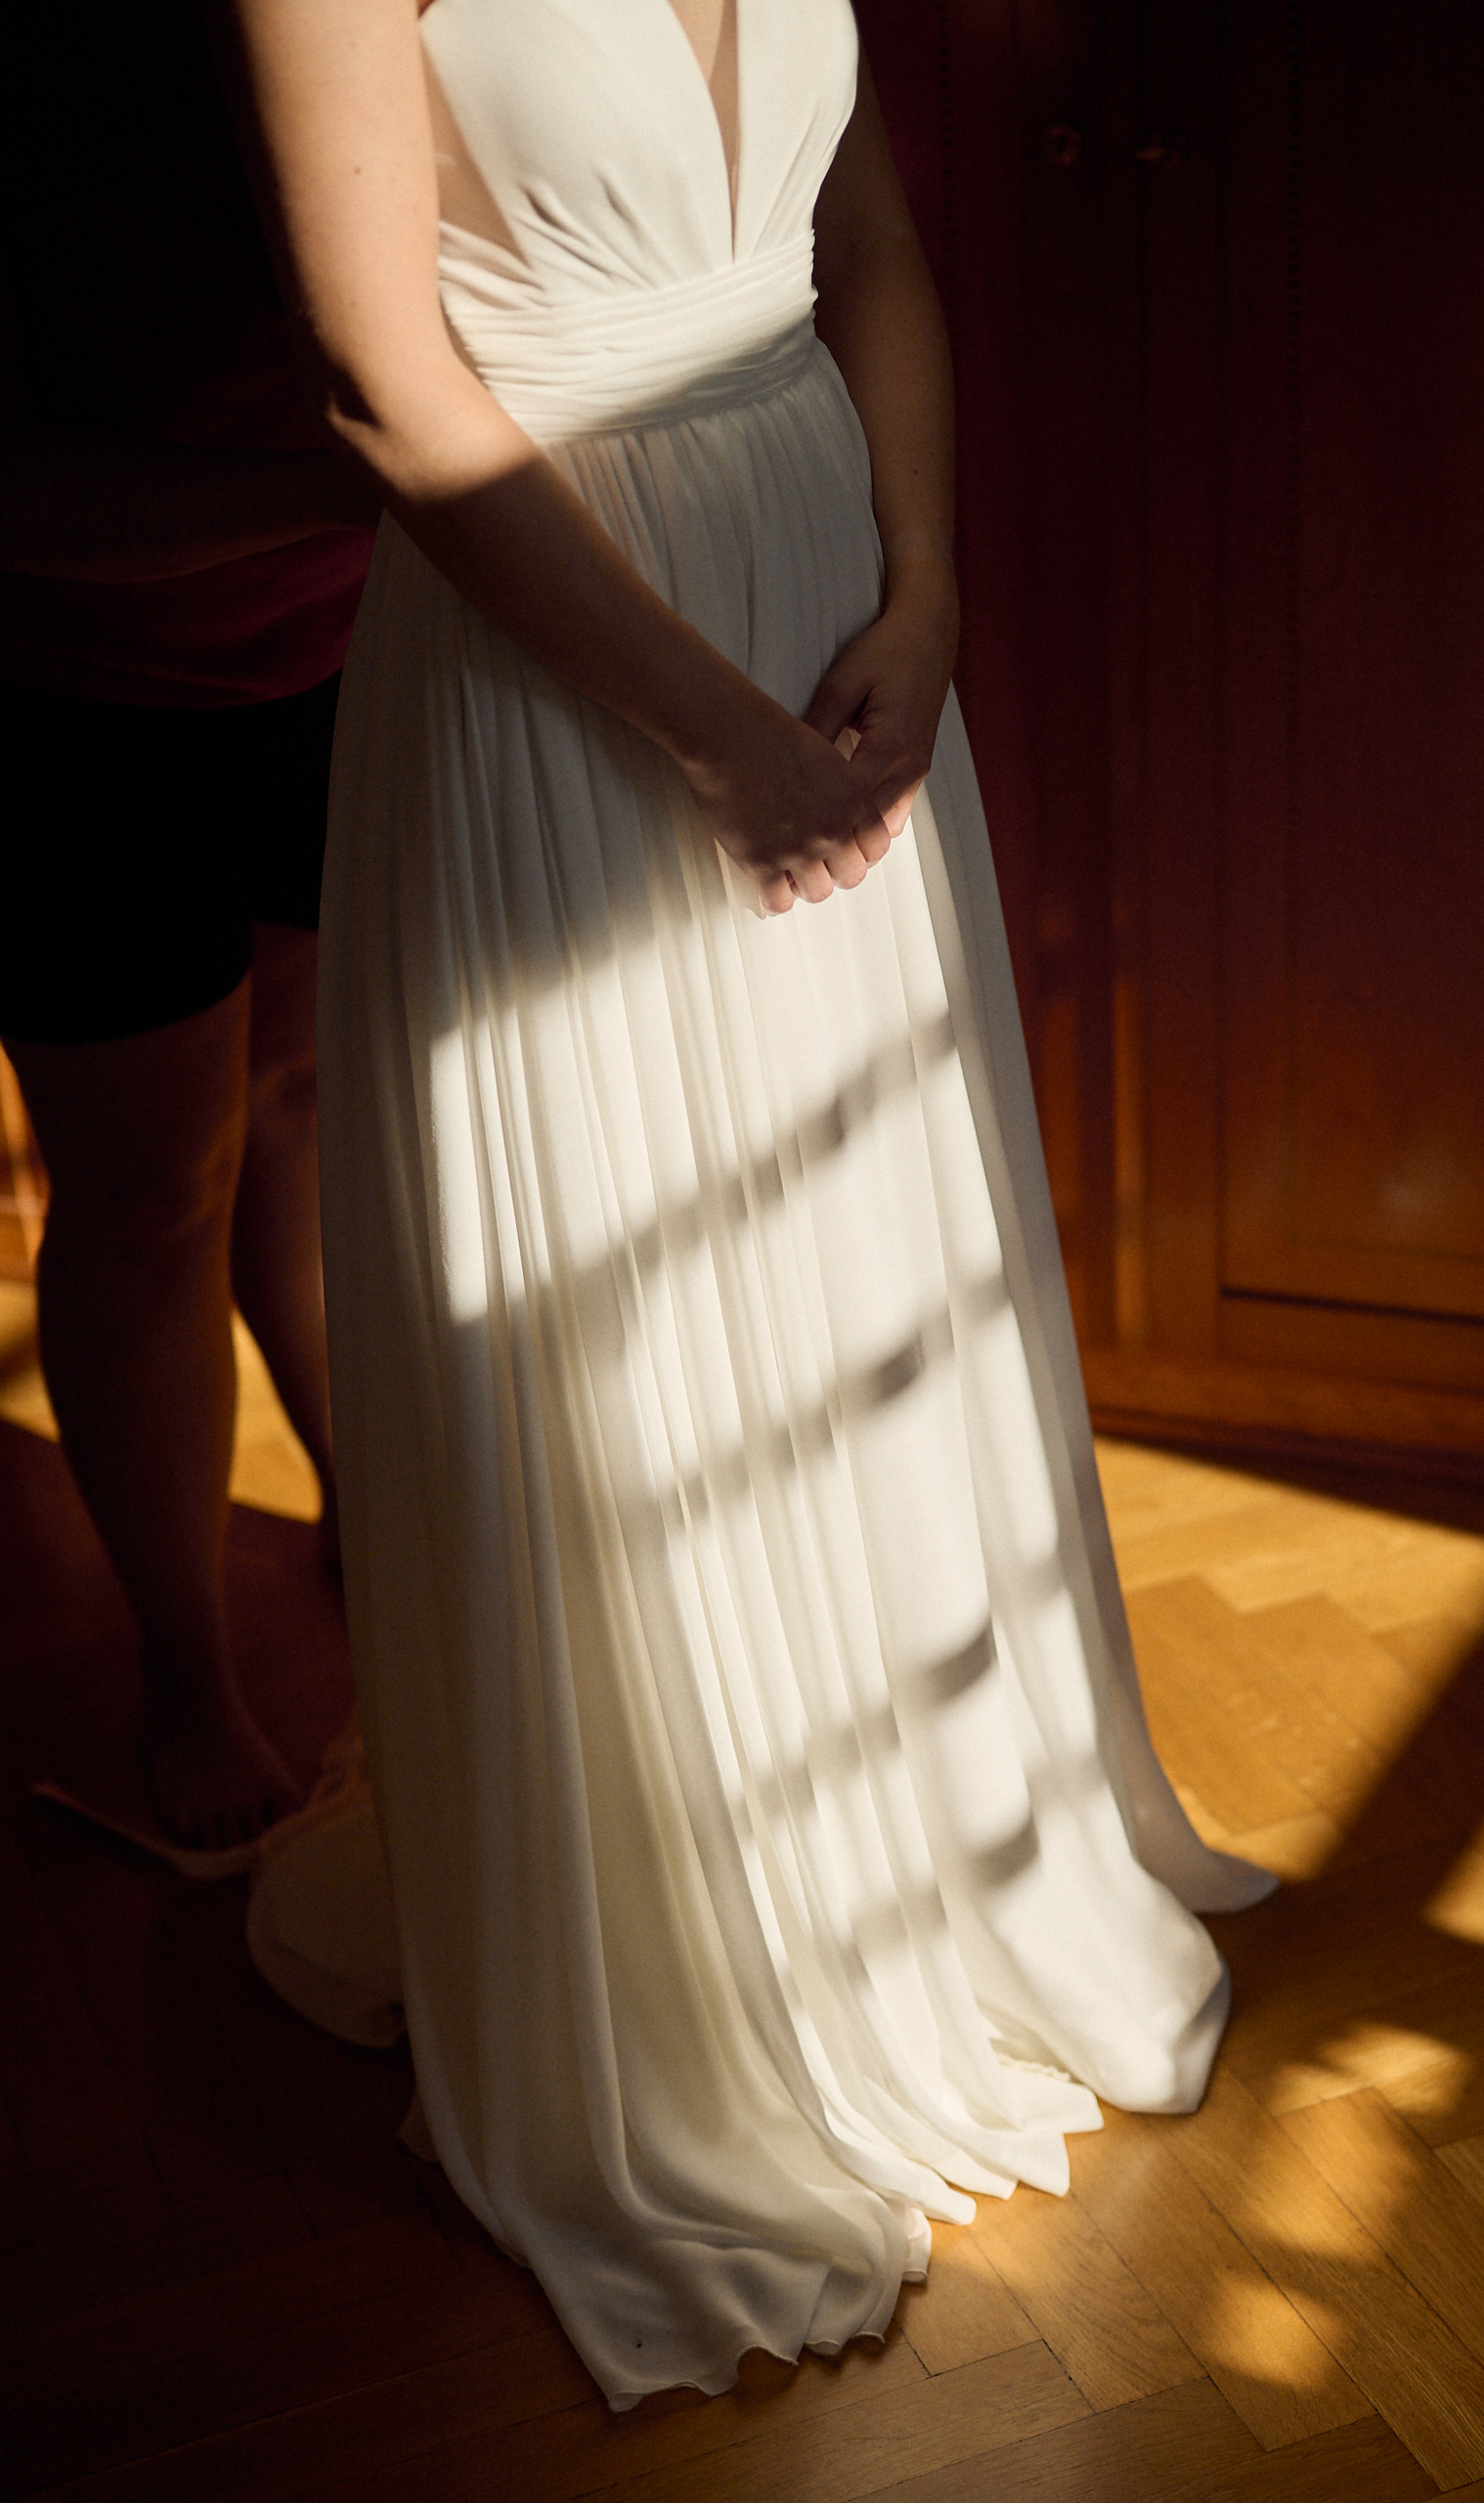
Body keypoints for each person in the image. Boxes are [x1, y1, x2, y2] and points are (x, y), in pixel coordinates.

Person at [228, 0, 1275, 2404]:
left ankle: (929, 1865)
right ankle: (688, 1980)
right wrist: (714, 738)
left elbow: (867, 240)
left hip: (832, 602)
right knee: (633, 1326)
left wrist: (928, 595)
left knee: (859, 1258)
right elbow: (383, 384)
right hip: (570, 664)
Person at [0, 2, 378, 1850]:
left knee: (297, 1102)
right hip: (65, 691)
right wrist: (366, 473)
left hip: (341, 647)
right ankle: (185, 1679)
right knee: (152, 1189)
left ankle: (363, 1505)